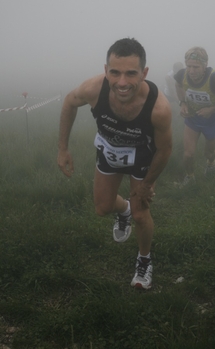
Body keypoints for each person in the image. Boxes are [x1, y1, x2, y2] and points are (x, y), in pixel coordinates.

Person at [57, 38, 172, 289]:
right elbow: (69, 101)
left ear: (144, 72)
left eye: (131, 73)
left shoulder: (158, 107)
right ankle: (124, 210)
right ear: (106, 69)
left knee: (142, 213)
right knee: (102, 208)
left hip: (142, 155)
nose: (121, 82)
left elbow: (165, 150)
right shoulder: (93, 88)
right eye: (115, 72)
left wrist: (148, 184)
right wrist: (63, 148)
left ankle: (144, 259)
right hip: (109, 149)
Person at [174, 47, 215, 186]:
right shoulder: (182, 74)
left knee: (209, 153)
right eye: (189, 66)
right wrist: (183, 103)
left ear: (205, 65)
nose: (191, 71)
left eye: (196, 67)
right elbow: (178, 85)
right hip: (193, 117)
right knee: (188, 154)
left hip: (213, 120)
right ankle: (190, 177)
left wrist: (212, 109)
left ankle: (210, 163)